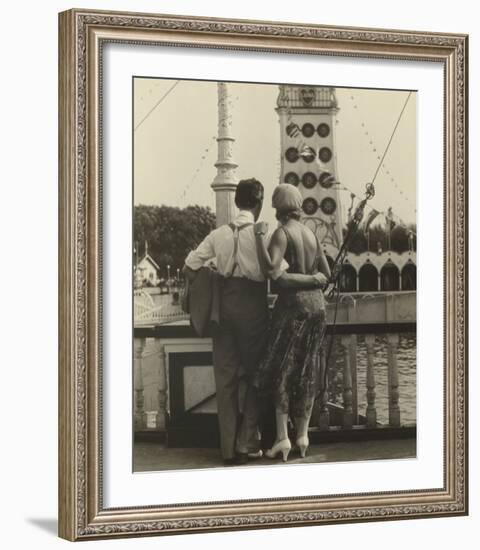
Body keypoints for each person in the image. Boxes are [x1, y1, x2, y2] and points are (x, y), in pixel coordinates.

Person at [184, 179, 326, 466]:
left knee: (225, 381)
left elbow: (189, 266)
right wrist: (315, 280)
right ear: (260, 204)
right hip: (253, 309)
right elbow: (278, 273)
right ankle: (247, 443)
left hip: (222, 310)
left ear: (236, 202)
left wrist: (213, 277)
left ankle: (227, 450)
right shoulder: (264, 233)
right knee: (255, 376)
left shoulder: (217, 234)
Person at [254, 184, 331, 462]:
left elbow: (276, 274)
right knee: (307, 369)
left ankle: (281, 438)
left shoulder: (282, 233)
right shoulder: (311, 233)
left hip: (292, 308)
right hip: (317, 308)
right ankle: (303, 435)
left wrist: (261, 241)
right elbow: (326, 274)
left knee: (283, 371)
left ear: (277, 208)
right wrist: (314, 280)